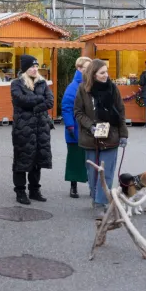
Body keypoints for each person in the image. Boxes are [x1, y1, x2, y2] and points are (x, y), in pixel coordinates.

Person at [74, 59, 129, 219]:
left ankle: (100, 203)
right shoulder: (83, 89)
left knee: (107, 173)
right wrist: (91, 126)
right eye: (102, 72)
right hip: (91, 138)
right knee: (92, 173)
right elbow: (78, 112)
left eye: (107, 72)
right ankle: (95, 195)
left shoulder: (113, 88)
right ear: (93, 74)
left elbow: (121, 111)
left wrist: (124, 134)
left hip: (111, 136)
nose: (106, 75)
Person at [10, 55, 54, 205]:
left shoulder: (42, 83)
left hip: (41, 128)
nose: (35, 69)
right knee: (22, 160)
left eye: (36, 66)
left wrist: (35, 106)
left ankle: (35, 190)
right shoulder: (16, 83)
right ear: (25, 69)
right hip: (23, 129)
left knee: (37, 160)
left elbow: (50, 101)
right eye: (32, 67)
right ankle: (20, 191)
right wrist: (39, 100)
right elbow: (20, 100)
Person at [61, 56, 93, 199]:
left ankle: (93, 186)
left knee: (92, 160)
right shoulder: (73, 87)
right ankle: (73, 186)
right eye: (87, 68)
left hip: (91, 130)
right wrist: (70, 127)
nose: (89, 71)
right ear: (79, 68)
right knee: (75, 159)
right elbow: (66, 108)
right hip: (76, 130)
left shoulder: (93, 84)